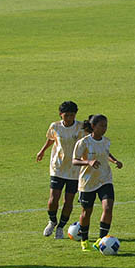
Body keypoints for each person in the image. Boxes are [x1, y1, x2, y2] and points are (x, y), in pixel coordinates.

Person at [71, 114, 123, 251]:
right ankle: (84, 239)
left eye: (106, 125)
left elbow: (106, 153)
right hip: (87, 182)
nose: (104, 128)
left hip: (105, 179)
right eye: (101, 125)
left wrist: (115, 161)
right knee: (86, 212)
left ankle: (101, 239)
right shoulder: (83, 143)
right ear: (93, 126)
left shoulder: (106, 141)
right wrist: (88, 162)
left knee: (108, 208)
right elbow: (74, 160)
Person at [36, 100, 84, 238]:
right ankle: (52, 221)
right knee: (53, 199)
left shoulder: (81, 127)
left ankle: (61, 227)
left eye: (72, 115)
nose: (69, 118)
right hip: (57, 167)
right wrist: (42, 151)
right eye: (66, 115)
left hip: (74, 170)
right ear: (60, 115)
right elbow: (51, 139)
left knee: (68, 201)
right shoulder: (55, 126)